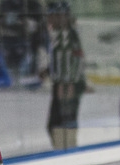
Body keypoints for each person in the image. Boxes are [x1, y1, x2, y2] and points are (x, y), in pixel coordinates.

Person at [44, 0, 85, 150]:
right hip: (64, 85)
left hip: (66, 87)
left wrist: (66, 85)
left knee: (62, 124)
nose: (49, 19)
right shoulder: (60, 34)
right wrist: (48, 71)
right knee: (60, 124)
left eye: (53, 16)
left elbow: (73, 61)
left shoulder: (66, 35)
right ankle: (66, 153)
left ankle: (68, 155)